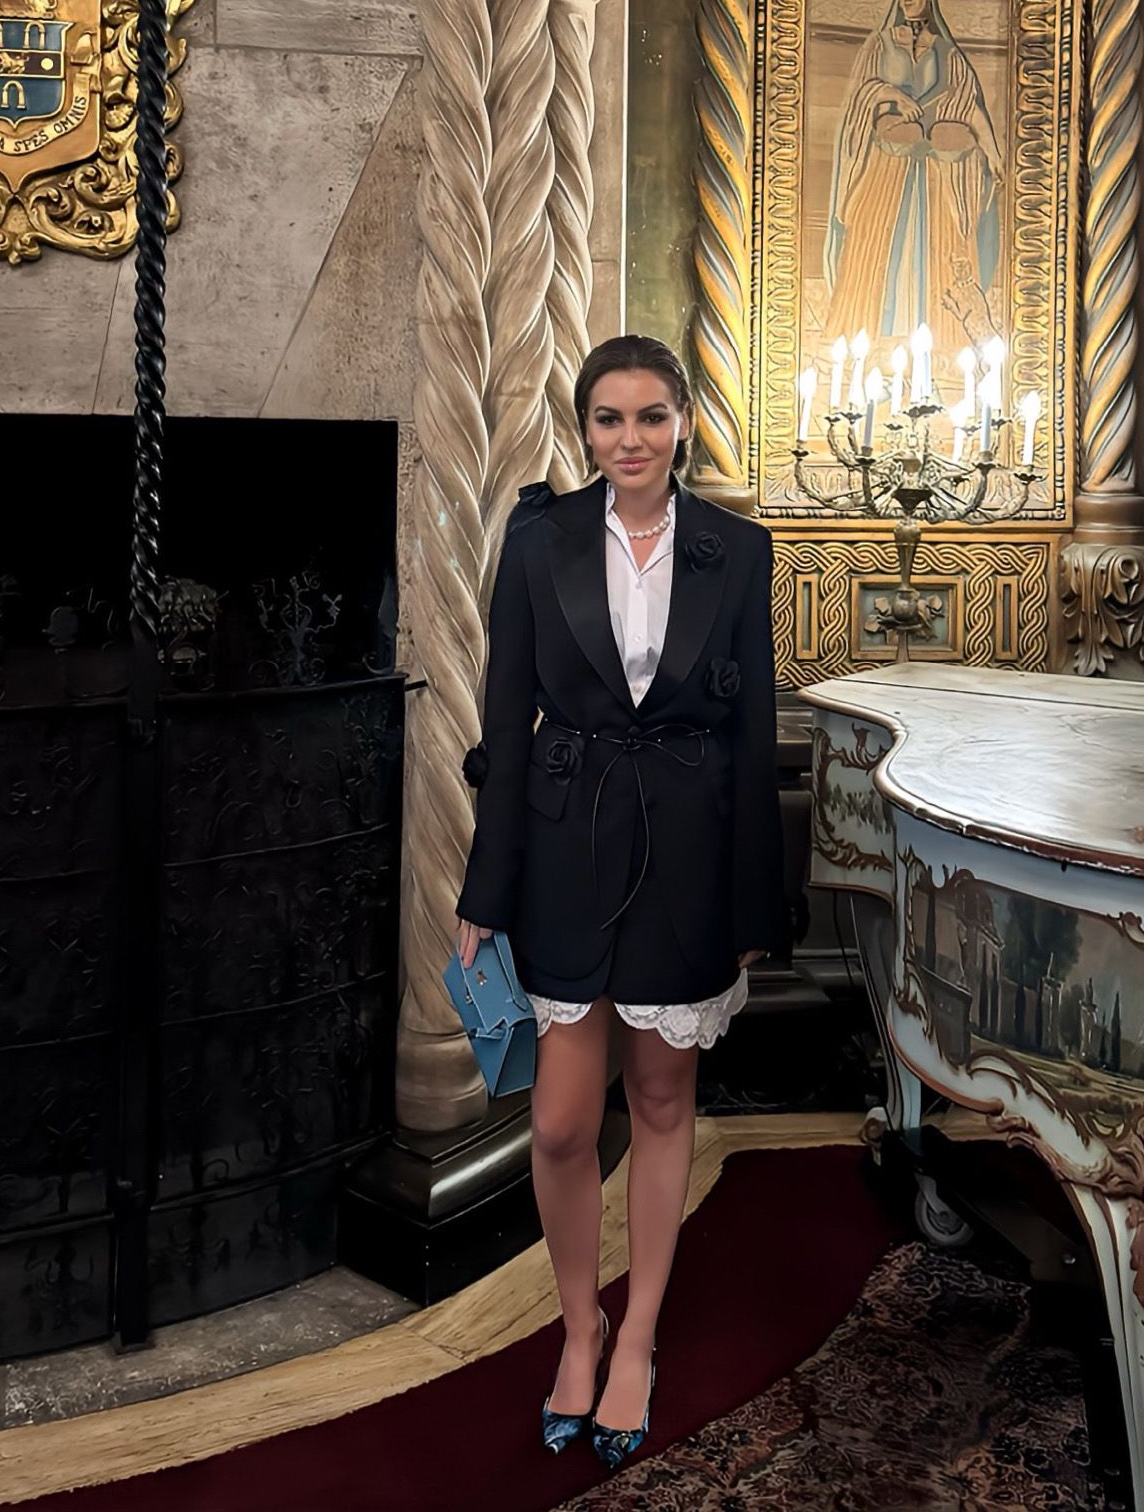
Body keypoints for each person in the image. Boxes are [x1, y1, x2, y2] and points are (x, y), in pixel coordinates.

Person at [454, 335, 784, 1470]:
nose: (630, 439)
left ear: (682, 422)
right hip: (565, 846)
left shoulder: (738, 548)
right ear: (584, 427)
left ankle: (634, 1334)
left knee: (658, 1093)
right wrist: (484, 886)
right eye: (608, 418)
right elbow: (505, 721)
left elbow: (753, 735)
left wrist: (756, 899)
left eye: (650, 416)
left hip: (692, 850)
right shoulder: (537, 538)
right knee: (558, 1120)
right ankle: (577, 1323)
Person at [822, 0, 1001, 347]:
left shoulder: (947, 52)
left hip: (937, 170)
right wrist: (891, 95)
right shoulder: (881, 44)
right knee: (876, 242)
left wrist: (992, 151)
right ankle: (867, 337)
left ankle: (945, 338)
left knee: (938, 246)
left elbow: (968, 104)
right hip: (888, 164)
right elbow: (860, 95)